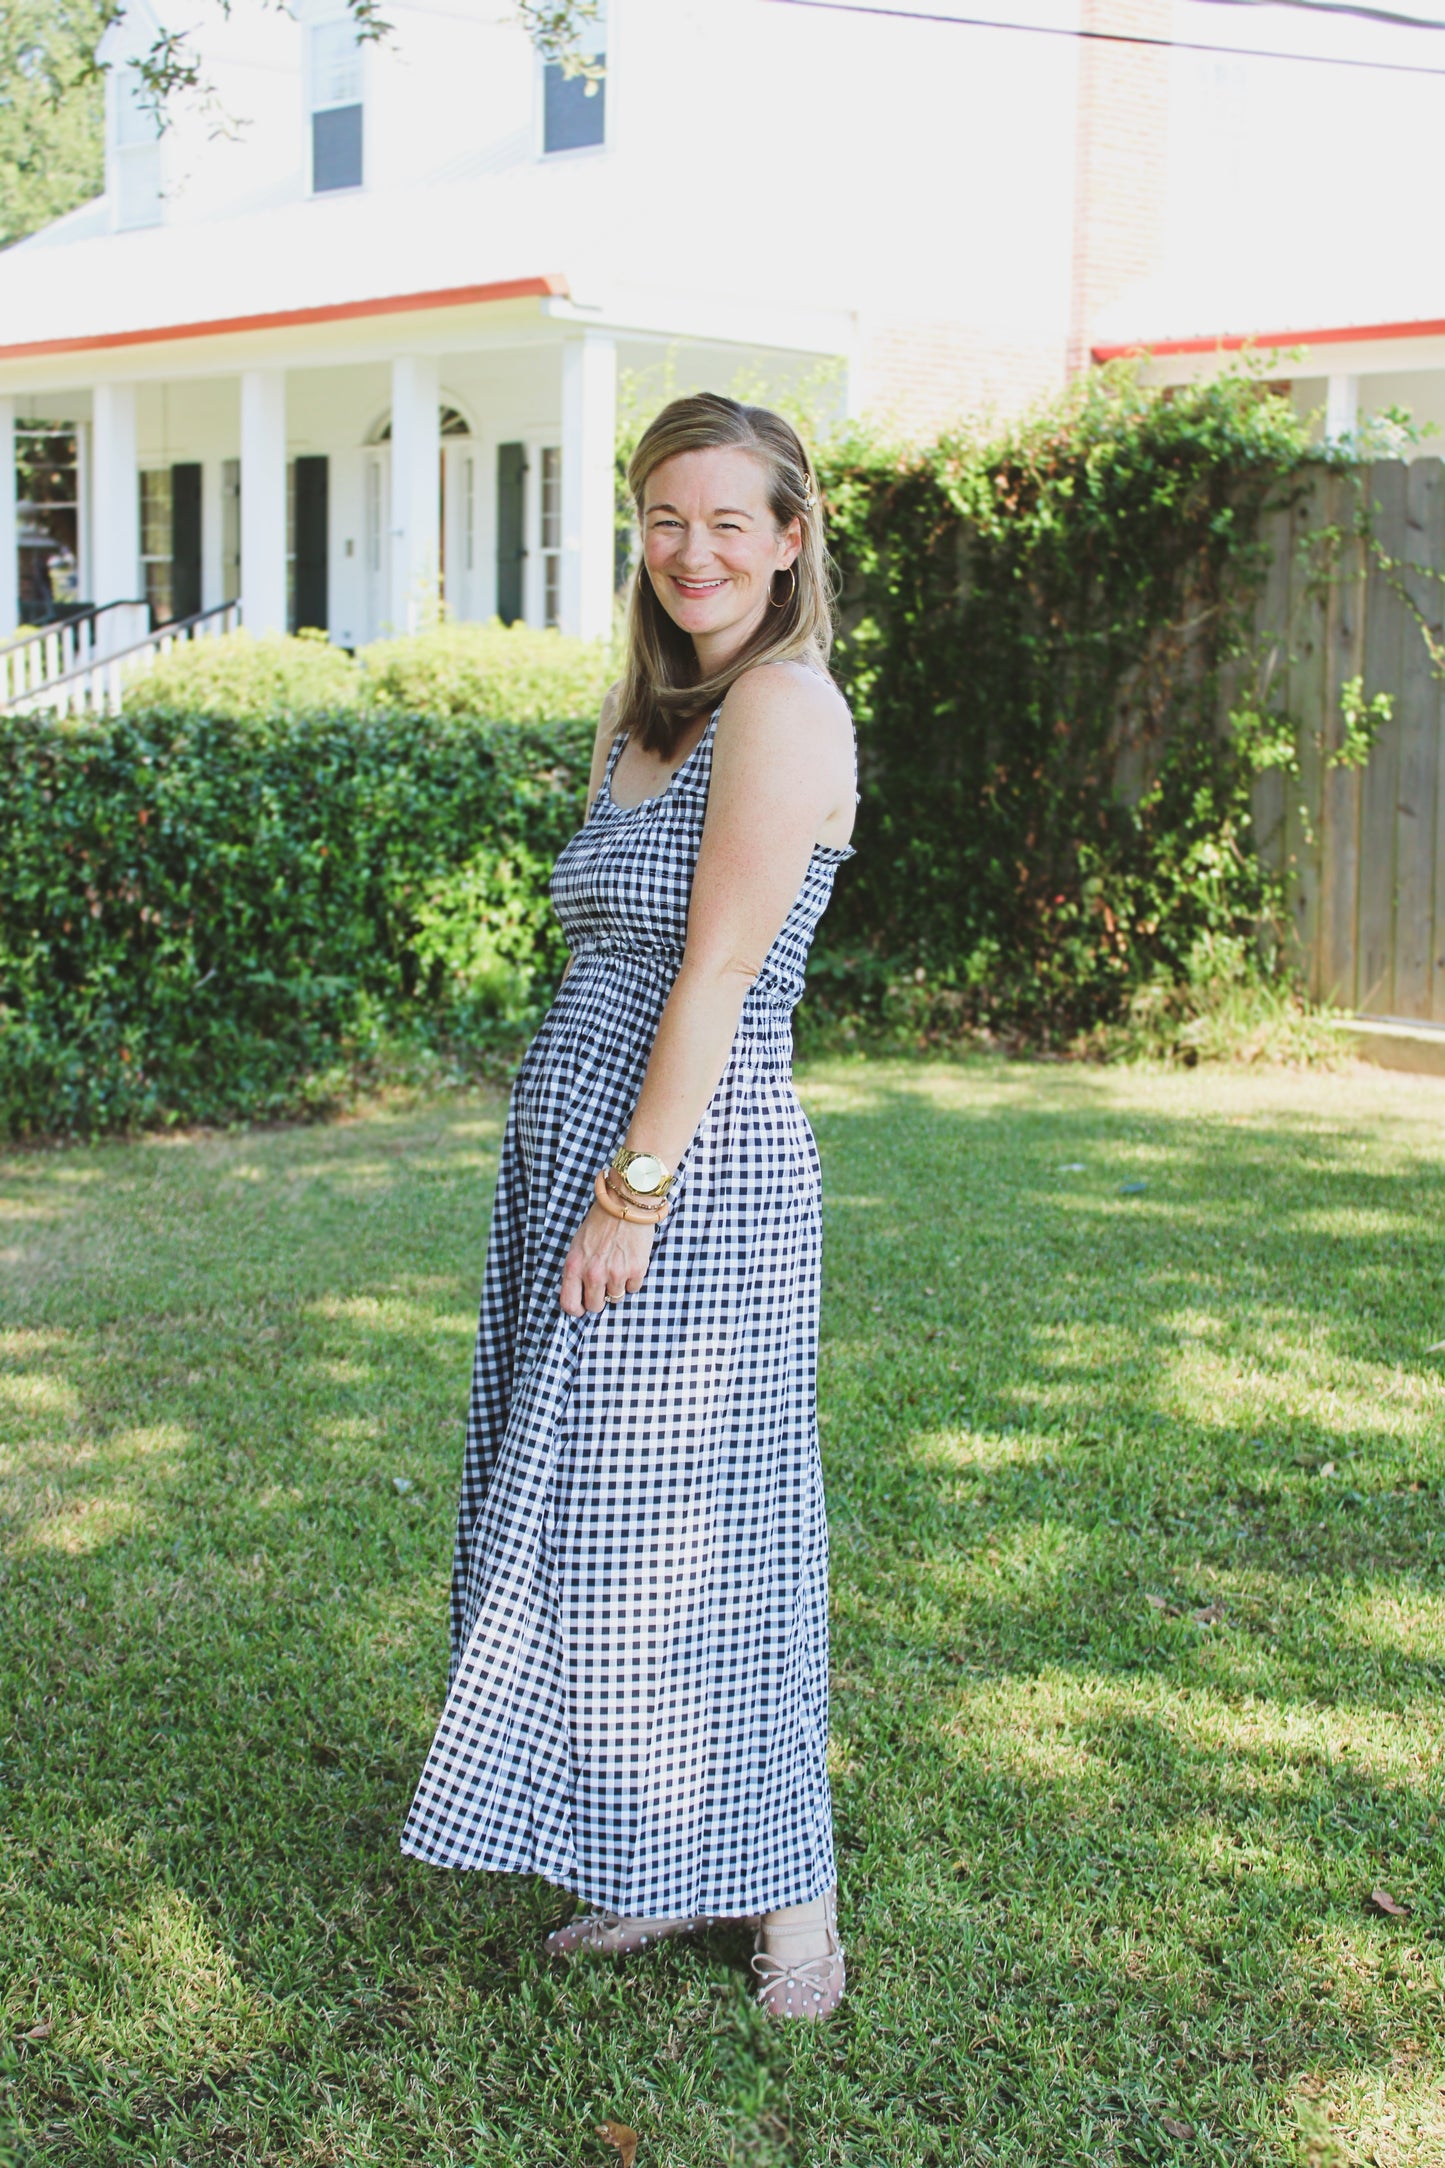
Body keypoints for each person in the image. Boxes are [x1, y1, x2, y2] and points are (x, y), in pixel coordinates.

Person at [401, 391, 857, 2021]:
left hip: (691, 1173)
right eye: (666, 517)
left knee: (702, 1539)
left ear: (789, 540)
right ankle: (660, 1861)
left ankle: (794, 1903)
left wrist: (634, 1191)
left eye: (729, 520)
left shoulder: (782, 707)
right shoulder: (643, 715)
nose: (692, 550)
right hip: (581, 1151)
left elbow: (719, 971)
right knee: (599, 1540)